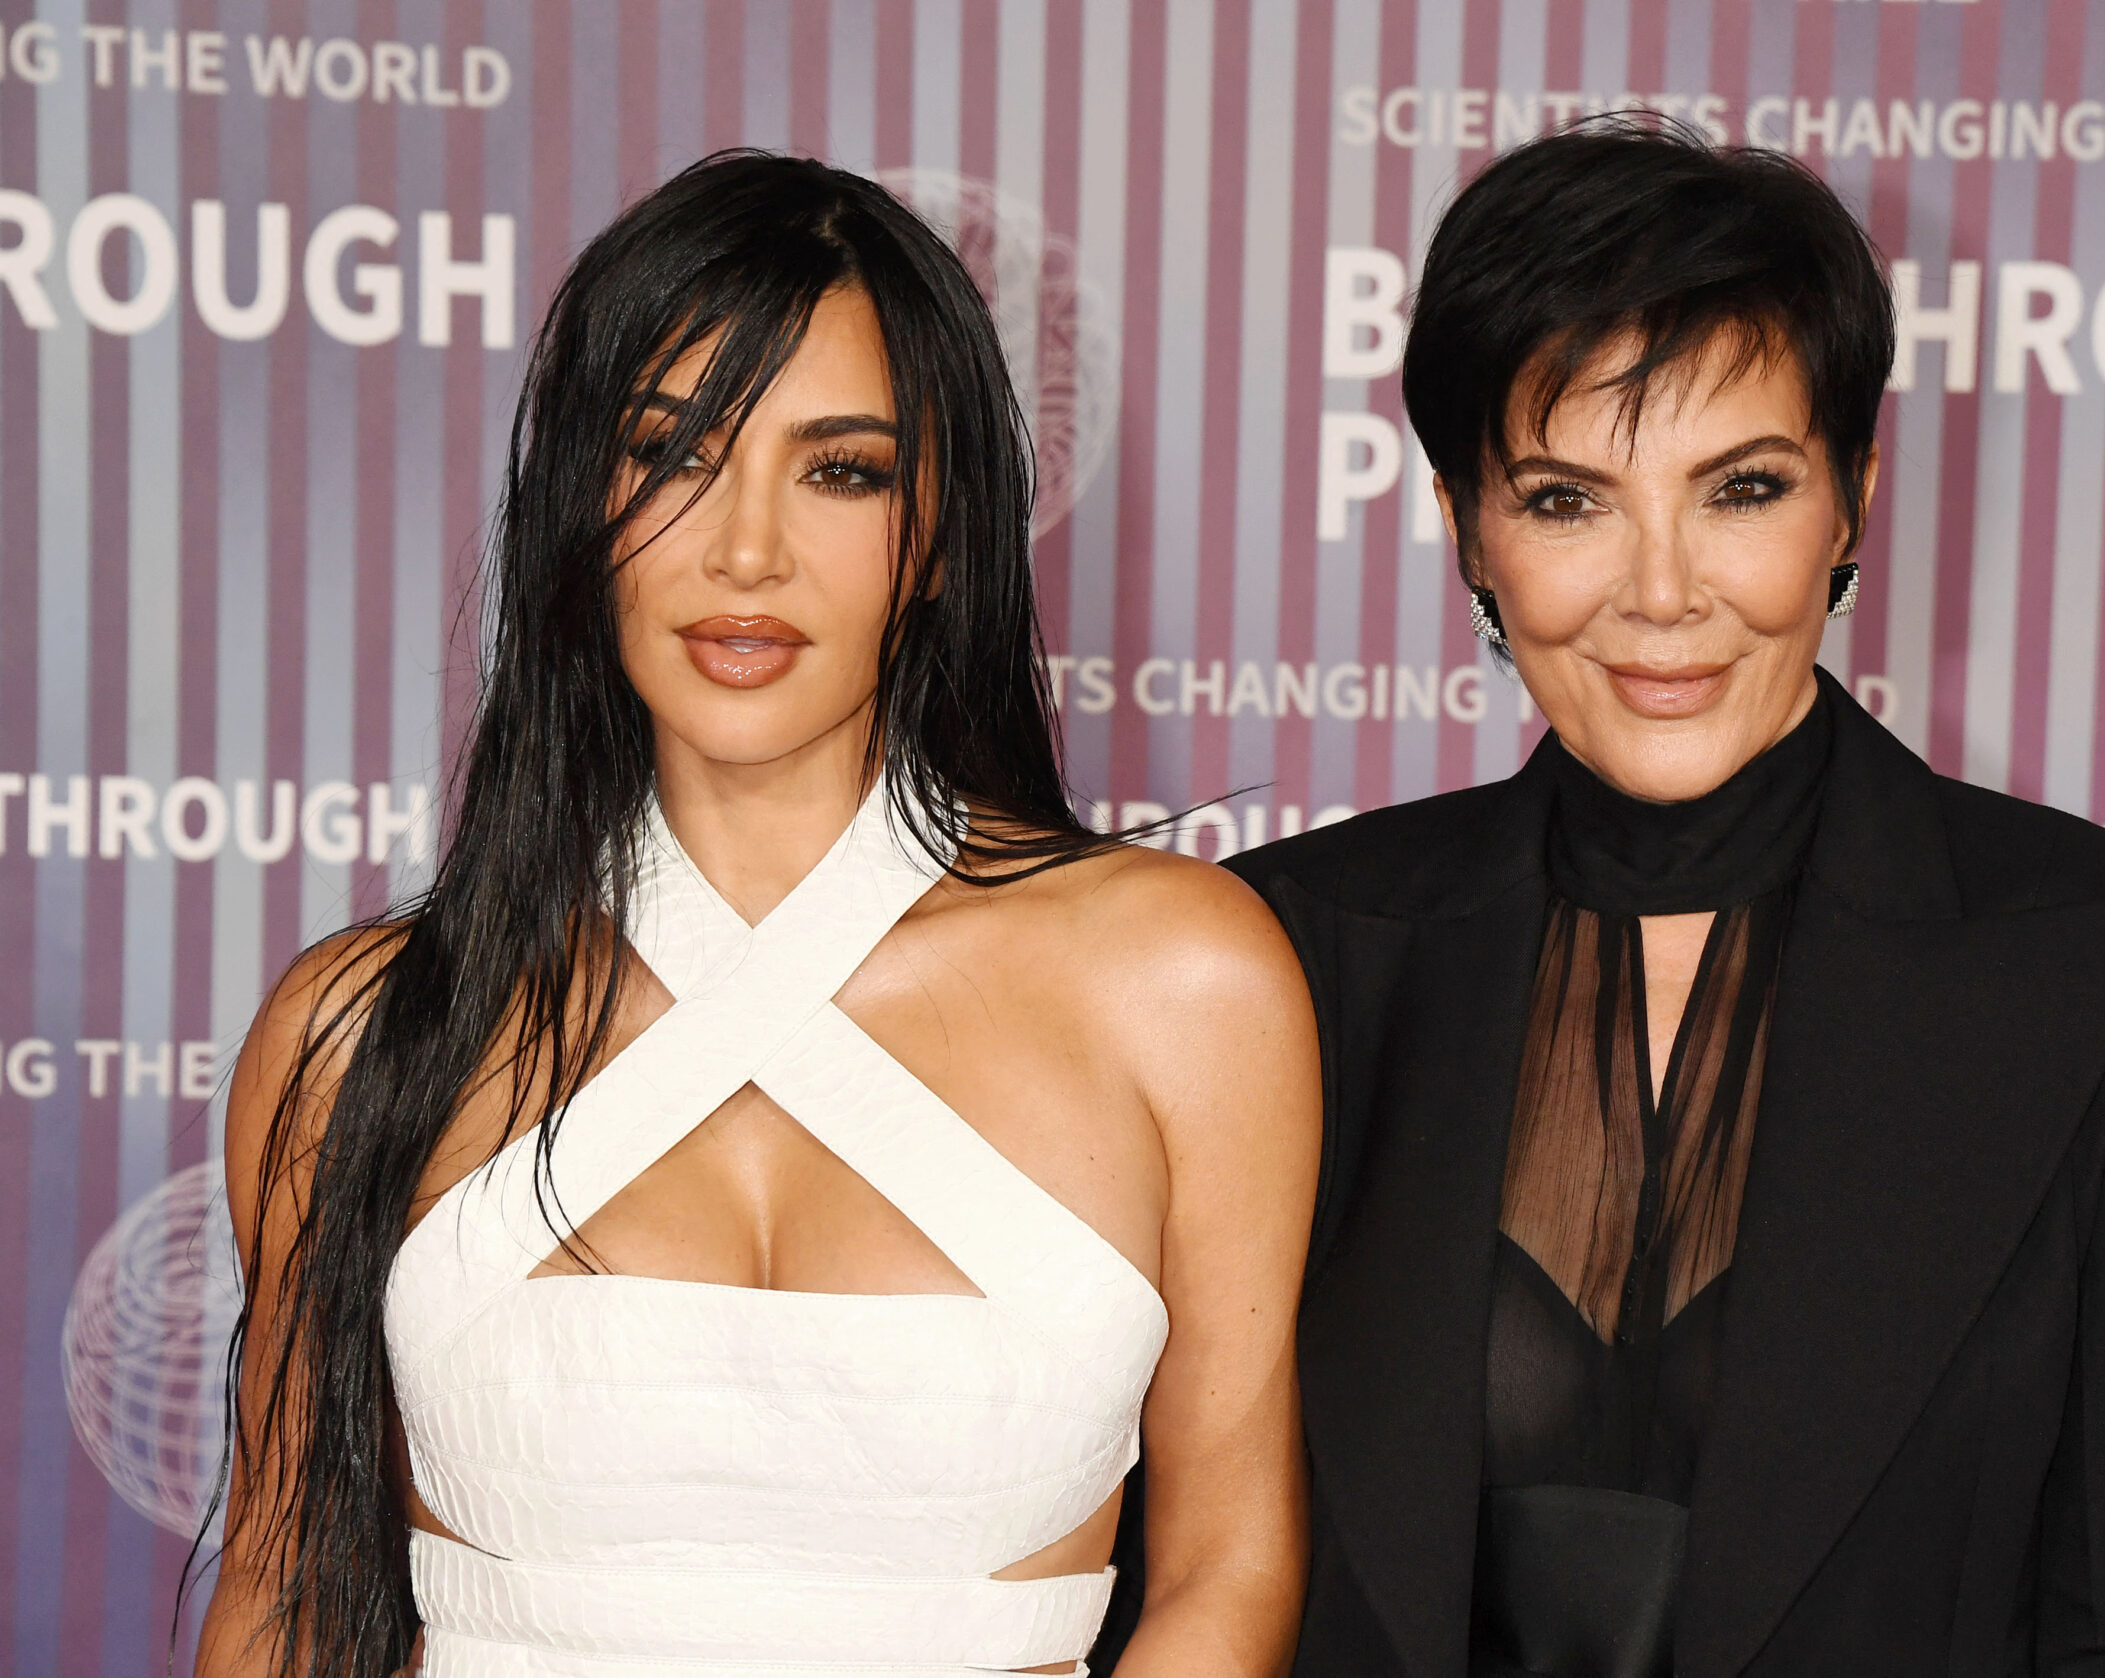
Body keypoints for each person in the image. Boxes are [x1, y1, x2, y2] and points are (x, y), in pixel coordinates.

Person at [198, 151, 1318, 1678]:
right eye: (673, 454)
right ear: (581, 505)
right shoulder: (360, 1028)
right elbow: (286, 1590)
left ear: (940, 531)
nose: (745, 550)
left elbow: (1228, 1565)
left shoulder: (1184, 983)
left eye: (839, 470)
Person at [1230, 121, 2105, 1678]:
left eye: (1741, 488)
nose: (1663, 591)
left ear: (1851, 500)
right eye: (1569, 500)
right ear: (1467, 526)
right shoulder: (1279, 958)